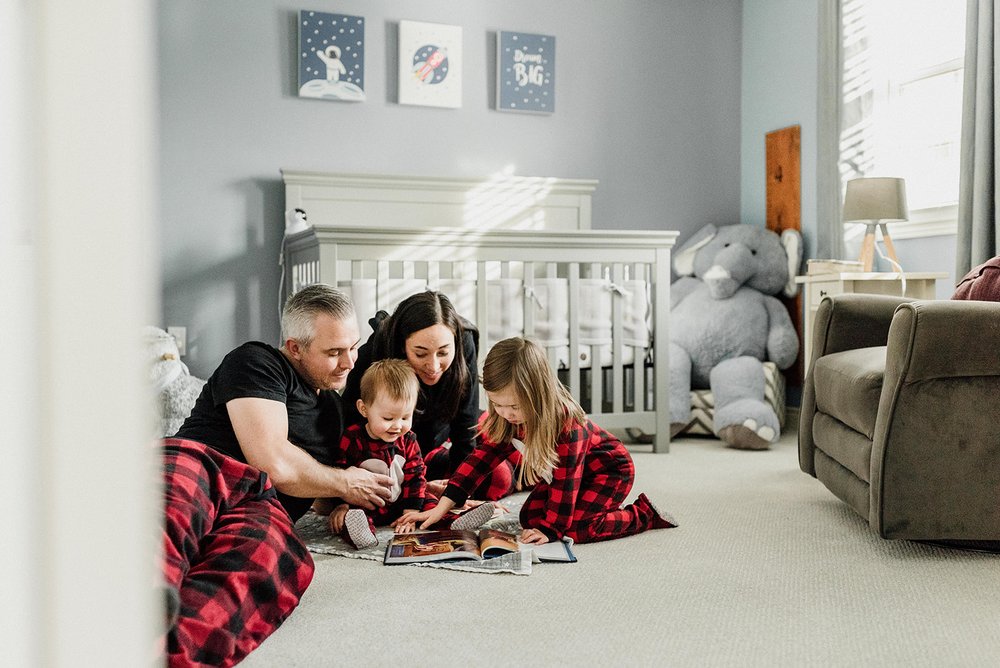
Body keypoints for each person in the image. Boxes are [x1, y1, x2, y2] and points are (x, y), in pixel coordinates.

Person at [160, 284, 394, 667]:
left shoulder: (334, 411)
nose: (350, 362)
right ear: (295, 347)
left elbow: (312, 485)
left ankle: (173, 653)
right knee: (172, 513)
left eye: (353, 347)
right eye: (334, 352)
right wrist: (346, 480)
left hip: (261, 503)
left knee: (276, 560)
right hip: (203, 464)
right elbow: (272, 461)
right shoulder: (257, 361)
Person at [398, 337, 677, 545]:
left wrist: (552, 532)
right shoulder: (510, 419)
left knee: (573, 530)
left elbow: (566, 482)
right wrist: (442, 507)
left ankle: (643, 515)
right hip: (564, 477)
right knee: (529, 519)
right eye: (497, 405)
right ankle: (593, 511)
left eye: (515, 407)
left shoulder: (567, 425)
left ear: (537, 395)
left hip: (608, 473)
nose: (506, 414)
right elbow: (480, 460)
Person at [342, 290, 518, 501]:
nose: (434, 366)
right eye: (420, 354)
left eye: (443, 353)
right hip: (404, 450)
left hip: (448, 428)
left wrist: (460, 491)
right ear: (402, 345)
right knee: (499, 477)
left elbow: (466, 424)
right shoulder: (374, 353)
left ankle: (524, 471)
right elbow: (349, 427)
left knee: (515, 438)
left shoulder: (465, 341)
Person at [323, 358, 427, 549]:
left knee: (431, 504)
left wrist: (411, 512)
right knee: (348, 518)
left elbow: (416, 476)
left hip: (403, 502)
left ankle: (453, 518)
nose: (397, 425)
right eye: (388, 418)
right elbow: (340, 471)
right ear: (364, 409)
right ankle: (362, 534)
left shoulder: (409, 439)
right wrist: (341, 504)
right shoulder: (352, 438)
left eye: (405, 417)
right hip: (366, 506)